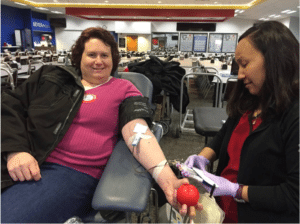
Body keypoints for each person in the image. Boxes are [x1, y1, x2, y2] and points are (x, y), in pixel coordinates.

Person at [1, 27, 202, 223]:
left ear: (113, 60)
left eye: (105, 55)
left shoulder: (123, 88)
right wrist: (15, 150)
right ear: (79, 57)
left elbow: (138, 131)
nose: (98, 61)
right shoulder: (52, 77)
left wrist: (167, 180)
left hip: (70, 172)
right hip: (25, 157)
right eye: (91, 54)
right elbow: (10, 105)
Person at [184, 21, 299, 223]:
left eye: (245, 64)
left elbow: (294, 195)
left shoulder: (294, 116)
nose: (240, 74)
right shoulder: (251, 99)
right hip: (224, 211)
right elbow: (225, 133)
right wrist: (202, 157)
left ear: (275, 60)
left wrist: (237, 190)